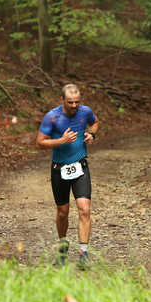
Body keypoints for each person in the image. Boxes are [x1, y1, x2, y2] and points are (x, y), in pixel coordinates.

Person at [36, 84, 99, 268]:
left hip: (80, 165)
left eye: (77, 102)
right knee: (63, 213)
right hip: (59, 168)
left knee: (84, 209)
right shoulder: (52, 117)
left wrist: (92, 135)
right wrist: (61, 141)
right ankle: (62, 247)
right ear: (62, 100)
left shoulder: (85, 112)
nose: (73, 106)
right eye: (70, 102)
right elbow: (39, 143)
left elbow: (95, 122)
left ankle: (83, 254)